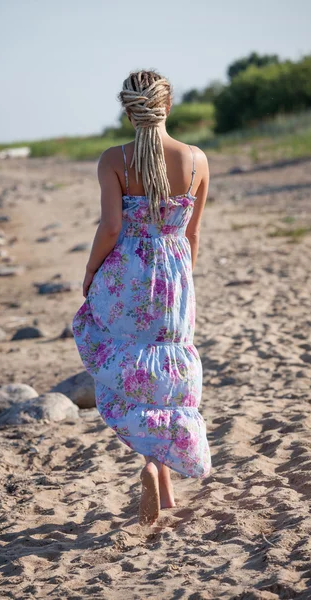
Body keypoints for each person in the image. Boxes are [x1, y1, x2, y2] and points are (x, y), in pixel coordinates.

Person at [72, 69, 211, 526]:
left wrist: (91, 271)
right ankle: (162, 482)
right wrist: (183, 281)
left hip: (127, 274)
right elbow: (191, 234)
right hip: (174, 275)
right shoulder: (196, 160)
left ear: (128, 109)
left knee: (132, 368)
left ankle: (154, 467)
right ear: (167, 106)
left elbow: (111, 227)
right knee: (169, 374)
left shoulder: (115, 158)